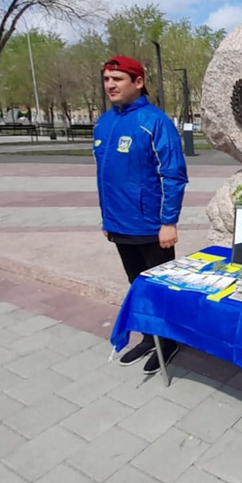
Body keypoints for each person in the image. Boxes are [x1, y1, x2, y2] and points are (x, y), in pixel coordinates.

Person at [94, 55, 189, 375]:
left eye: (117, 79)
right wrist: (107, 220)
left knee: (159, 287)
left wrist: (169, 221)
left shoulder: (155, 121)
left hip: (151, 227)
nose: (110, 85)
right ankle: (150, 337)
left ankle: (169, 341)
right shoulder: (105, 122)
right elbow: (105, 177)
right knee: (137, 286)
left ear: (138, 82)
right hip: (119, 225)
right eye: (107, 79)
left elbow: (173, 174)